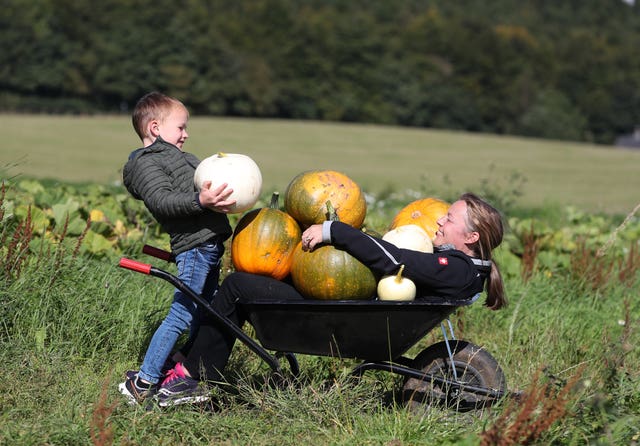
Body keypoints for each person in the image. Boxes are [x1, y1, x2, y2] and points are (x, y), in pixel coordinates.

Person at [152, 192, 507, 407]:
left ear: (472, 235)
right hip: (344, 301)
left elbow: (397, 259)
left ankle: (192, 377)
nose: (441, 219)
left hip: (343, 309)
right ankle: (190, 359)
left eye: (450, 217)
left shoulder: (455, 268)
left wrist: (334, 230)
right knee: (247, 284)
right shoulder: (465, 267)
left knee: (237, 287)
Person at [118, 92, 237, 405]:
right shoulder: (146, 164)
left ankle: (183, 367)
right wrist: (201, 201)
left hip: (207, 245)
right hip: (195, 246)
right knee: (181, 314)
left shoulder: (175, 156)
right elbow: (162, 201)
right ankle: (144, 382)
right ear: (155, 128)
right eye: (181, 127)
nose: (186, 134)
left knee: (206, 311)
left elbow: (201, 184)